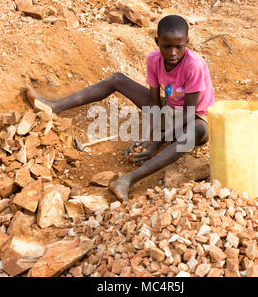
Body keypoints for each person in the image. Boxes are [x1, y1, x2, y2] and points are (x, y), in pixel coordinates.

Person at [26, 15, 215, 201]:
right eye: (167, 46)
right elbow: (154, 103)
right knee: (117, 79)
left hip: (196, 117)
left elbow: (189, 113)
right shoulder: (154, 60)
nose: (173, 52)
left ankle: (127, 180)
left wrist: (157, 140)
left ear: (187, 43)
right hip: (170, 109)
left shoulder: (194, 65)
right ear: (157, 41)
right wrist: (145, 137)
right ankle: (54, 106)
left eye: (179, 47)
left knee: (193, 133)